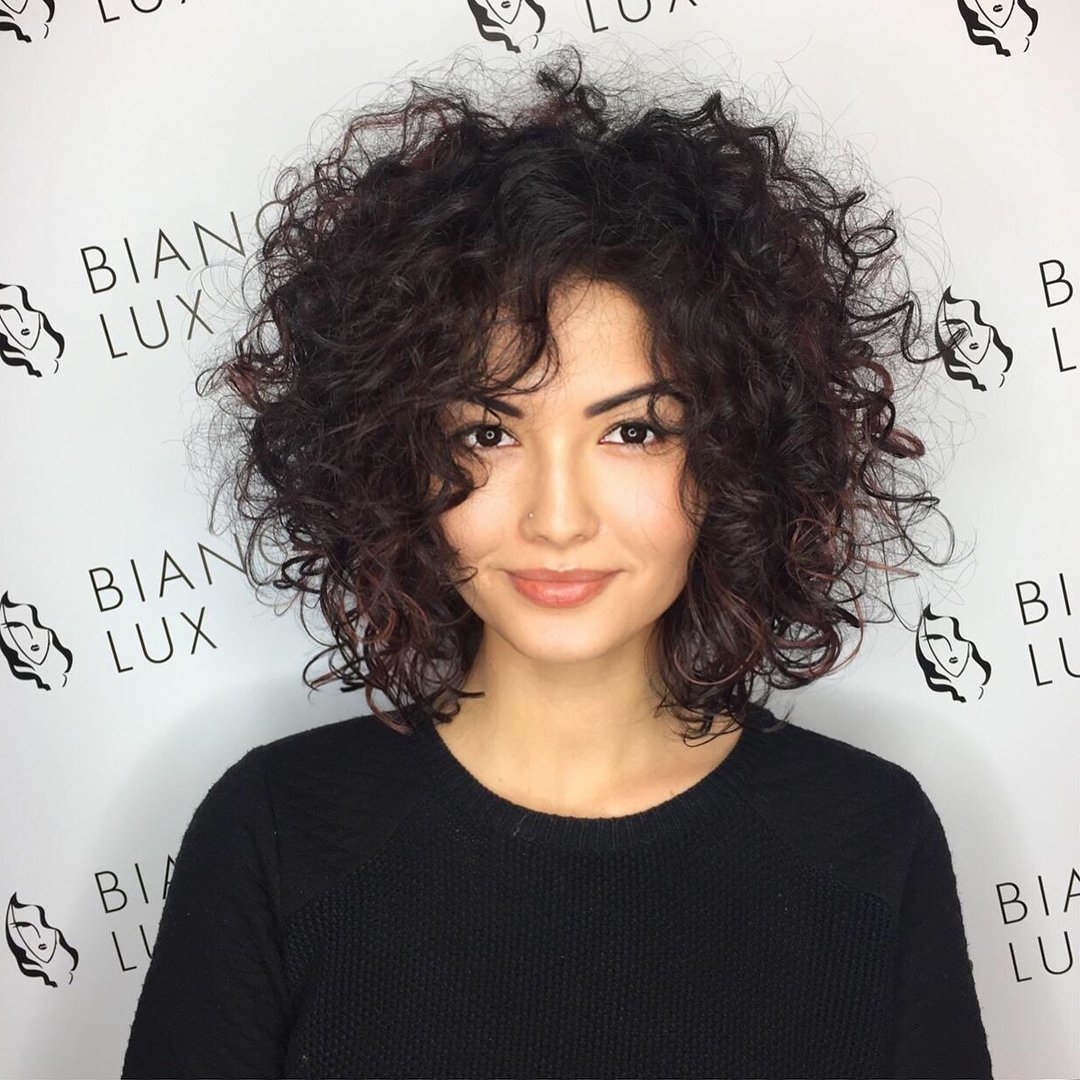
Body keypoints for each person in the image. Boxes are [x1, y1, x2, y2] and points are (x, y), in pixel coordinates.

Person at [121, 44, 993, 1079]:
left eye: (635, 432)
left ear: (738, 459)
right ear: (394, 456)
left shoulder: (868, 842)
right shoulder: (279, 836)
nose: (558, 517)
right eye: (488, 433)